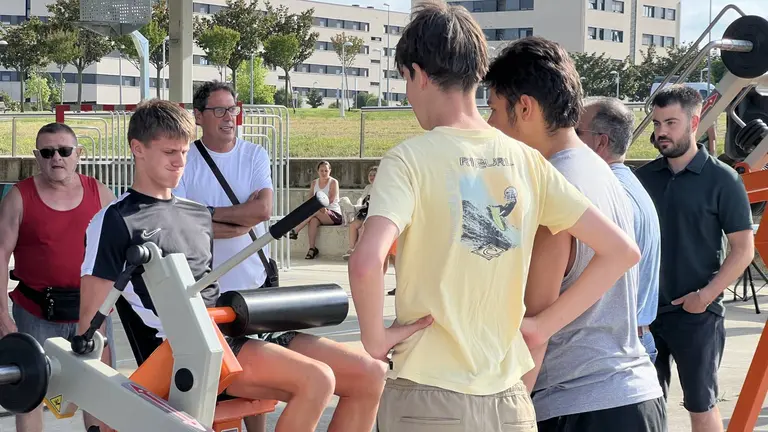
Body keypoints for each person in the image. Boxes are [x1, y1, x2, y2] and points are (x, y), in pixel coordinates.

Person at [347, 4, 641, 431]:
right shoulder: (528, 161)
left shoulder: (409, 159)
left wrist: (375, 339)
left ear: (419, 74)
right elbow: (621, 251)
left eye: (406, 80)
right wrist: (541, 327)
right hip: (509, 402)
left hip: (428, 394)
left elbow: (366, 260)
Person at [79, 99, 387, 432]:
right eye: (169, 152)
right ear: (137, 149)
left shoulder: (197, 214)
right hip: (191, 349)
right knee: (317, 380)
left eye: (184, 152)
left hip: (237, 327)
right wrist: (101, 406)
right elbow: (91, 321)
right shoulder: (115, 220)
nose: (179, 162)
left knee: (370, 375)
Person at [484, 37, 665, 431]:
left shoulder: (553, 187)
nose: (490, 124)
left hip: (579, 403)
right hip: (636, 395)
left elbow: (534, 332)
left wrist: (509, 421)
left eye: (495, 110)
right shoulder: (600, 170)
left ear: (525, 107)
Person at [635, 85, 755, 432]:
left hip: (697, 317)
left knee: (701, 406)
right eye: (657, 123)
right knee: (644, 407)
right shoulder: (643, 179)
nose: (661, 132)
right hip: (646, 316)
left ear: (694, 121)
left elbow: (743, 250)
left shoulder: (723, 180)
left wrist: (704, 297)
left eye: (670, 123)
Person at [172, 80, 275, 431]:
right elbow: (181, 221)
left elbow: (262, 210)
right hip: (206, 290)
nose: (229, 117)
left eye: (232, 108)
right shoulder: (186, 161)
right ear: (199, 116)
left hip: (253, 284)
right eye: (219, 110)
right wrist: (232, 214)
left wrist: (207, 214)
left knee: (259, 377)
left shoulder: (255, 155)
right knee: (215, 379)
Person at [0, 122, 116, 432]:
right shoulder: (18, 197)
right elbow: (0, 255)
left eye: (64, 151)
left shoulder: (100, 194)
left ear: (78, 153)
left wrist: (111, 307)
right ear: (37, 156)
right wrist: (1, 314)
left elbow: (119, 254)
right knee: (31, 393)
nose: (57, 158)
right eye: (48, 152)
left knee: (99, 392)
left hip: (91, 313)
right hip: (35, 312)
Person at [577, 96, 662, 363]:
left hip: (609, 351)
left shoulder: (605, 196)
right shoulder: (630, 186)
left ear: (601, 142)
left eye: (575, 132)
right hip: (630, 340)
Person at [289, 161, 343, 259]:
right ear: (318, 171)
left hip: (333, 214)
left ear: (330, 171)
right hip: (318, 212)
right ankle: (312, 248)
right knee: (313, 220)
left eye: (326, 171)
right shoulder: (314, 183)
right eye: (321, 170)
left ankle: (296, 230)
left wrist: (320, 207)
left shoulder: (333, 182)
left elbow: (330, 199)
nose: (324, 173)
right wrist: (318, 207)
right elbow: (310, 199)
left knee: (315, 210)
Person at [342, 165, 377, 260]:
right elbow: (361, 198)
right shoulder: (368, 187)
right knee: (353, 225)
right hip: (364, 210)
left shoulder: (381, 188)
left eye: (374, 175)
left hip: (374, 212)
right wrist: (357, 206)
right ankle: (351, 248)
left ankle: (356, 251)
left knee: (362, 228)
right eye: (370, 175)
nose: (372, 177)